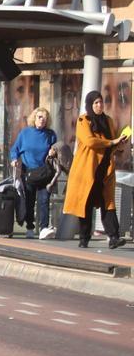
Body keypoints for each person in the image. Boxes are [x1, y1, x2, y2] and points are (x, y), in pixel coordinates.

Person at [64, 90, 129, 250]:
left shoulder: (108, 121)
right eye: (96, 103)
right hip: (87, 170)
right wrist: (111, 142)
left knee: (109, 203)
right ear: (90, 105)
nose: (99, 105)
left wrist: (119, 145)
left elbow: (111, 146)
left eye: (101, 102)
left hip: (105, 169)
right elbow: (89, 141)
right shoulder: (83, 120)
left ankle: (114, 237)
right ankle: (84, 238)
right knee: (85, 203)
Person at [10, 107, 57, 239]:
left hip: (45, 172)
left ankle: (43, 228)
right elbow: (15, 149)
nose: (42, 120)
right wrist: (14, 159)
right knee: (29, 201)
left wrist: (53, 152)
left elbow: (56, 149)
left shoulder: (51, 134)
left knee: (44, 200)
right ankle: (30, 227)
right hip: (29, 171)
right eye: (39, 117)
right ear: (34, 118)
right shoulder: (25, 133)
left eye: (45, 117)